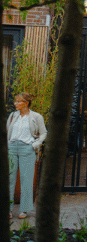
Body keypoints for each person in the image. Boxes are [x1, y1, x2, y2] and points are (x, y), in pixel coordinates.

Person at [8, 92, 47, 220]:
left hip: (27, 148)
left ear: (26, 103)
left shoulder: (36, 116)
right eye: (16, 101)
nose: (16, 104)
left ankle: (23, 210)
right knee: (9, 179)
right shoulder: (13, 116)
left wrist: (35, 145)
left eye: (18, 101)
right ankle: (7, 209)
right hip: (12, 147)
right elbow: (7, 131)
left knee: (26, 179)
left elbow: (43, 133)